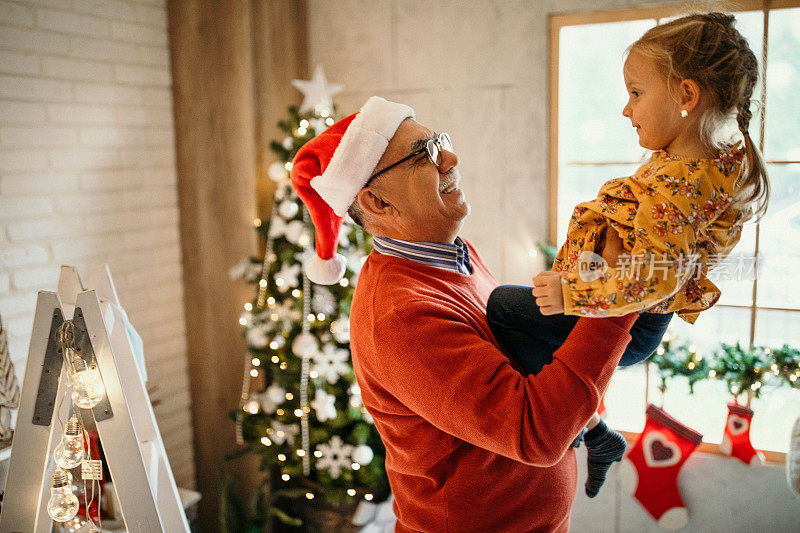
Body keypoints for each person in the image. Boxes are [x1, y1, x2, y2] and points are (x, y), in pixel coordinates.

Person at [290, 95, 640, 532]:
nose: (451, 158)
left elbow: (511, 365)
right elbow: (535, 433)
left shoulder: (452, 254)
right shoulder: (401, 316)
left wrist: (590, 423)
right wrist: (620, 297)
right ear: (378, 203)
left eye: (441, 141)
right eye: (426, 154)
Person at [486, 12, 770, 498]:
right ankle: (595, 433)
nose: (626, 109)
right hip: (630, 313)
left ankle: (579, 431)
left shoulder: (684, 184)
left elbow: (657, 280)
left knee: (502, 309)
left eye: (636, 93)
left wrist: (573, 291)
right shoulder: (712, 153)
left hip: (631, 320)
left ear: (686, 95)